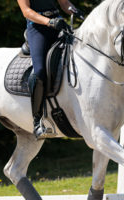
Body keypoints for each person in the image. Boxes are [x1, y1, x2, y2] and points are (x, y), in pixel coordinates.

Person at [17, 0, 77, 138]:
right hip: (38, 29)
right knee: (39, 71)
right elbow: (26, 12)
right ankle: (37, 120)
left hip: (58, 24)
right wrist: (49, 22)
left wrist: (74, 11)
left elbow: (64, 3)